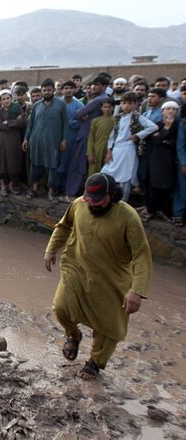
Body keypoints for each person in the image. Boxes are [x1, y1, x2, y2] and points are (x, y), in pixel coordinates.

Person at [45, 173, 152, 380]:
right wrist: (51, 249)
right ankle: (73, 335)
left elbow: (141, 255)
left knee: (109, 325)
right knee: (60, 307)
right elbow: (64, 226)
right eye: (88, 199)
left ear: (112, 196)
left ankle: (95, 362)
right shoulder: (78, 205)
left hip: (111, 278)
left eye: (98, 200)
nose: (91, 203)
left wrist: (137, 290)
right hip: (76, 268)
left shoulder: (128, 217)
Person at [101, 92, 157, 201]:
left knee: (124, 177)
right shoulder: (118, 118)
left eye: (129, 103)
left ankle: (122, 202)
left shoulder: (137, 117)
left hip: (128, 149)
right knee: (106, 173)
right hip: (116, 149)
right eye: (124, 103)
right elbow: (112, 136)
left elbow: (153, 127)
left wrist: (138, 135)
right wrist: (109, 150)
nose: (126, 106)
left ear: (135, 104)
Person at [23, 79, 69, 204]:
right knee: (35, 166)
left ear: (53, 90)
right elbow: (30, 124)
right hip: (36, 141)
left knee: (52, 166)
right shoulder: (37, 106)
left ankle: (50, 193)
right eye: (44, 90)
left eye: (49, 90)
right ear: (42, 91)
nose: (47, 92)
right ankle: (34, 190)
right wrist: (26, 139)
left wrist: (64, 140)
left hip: (53, 142)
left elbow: (66, 124)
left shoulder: (61, 105)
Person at [138, 101, 181, 222]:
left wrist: (166, 141)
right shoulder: (158, 124)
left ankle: (163, 210)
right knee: (154, 184)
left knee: (167, 185)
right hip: (156, 159)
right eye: (168, 109)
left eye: (174, 109)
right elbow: (156, 140)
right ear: (163, 111)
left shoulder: (179, 125)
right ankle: (151, 209)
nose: (171, 111)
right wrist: (166, 128)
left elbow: (176, 142)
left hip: (171, 160)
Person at [0, 90, 26, 196]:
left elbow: (22, 122)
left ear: (11, 99)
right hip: (1, 140)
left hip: (14, 140)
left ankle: (11, 185)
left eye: (8, 98)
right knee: (1, 162)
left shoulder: (17, 108)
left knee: (13, 162)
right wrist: (14, 124)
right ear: (0, 101)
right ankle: (3, 185)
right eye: (3, 99)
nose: (6, 101)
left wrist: (8, 122)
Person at [86, 99, 115, 177]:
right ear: (101, 108)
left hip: (110, 150)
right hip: (96, 150)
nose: (107, 109)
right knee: (94, 173)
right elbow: (91, 138)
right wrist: (90, 153)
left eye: (109, 107)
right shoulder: (96, 121)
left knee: (107, 173)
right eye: (105, 107)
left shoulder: (115, 120)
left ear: (113, 108)